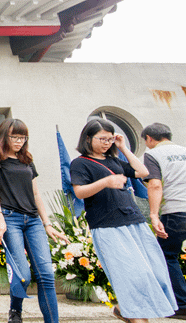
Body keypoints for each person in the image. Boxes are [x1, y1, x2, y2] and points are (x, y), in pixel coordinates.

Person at [70, 118, 176, 323]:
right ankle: (136, 316)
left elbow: (143, 172)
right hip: (108, 225)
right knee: (131, 273)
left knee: (153, 270)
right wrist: (106, 182)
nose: (106, 142)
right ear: (88, 138)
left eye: (110, 138)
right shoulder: (80, 163)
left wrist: (123, 148)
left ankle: (124, 308)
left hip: (133, 220)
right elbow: (80, 192)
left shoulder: (114, 160)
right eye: (102, 138)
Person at [0, 118, 66, 323]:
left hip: (33, 220)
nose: (19, 141)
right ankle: (15, 309)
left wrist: (47, 223)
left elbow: (36, 194)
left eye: (23, 137)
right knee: (23, 275)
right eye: (15, 137)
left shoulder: (27, 159)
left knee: (46, 275)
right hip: (9, 218)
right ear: (4, 136)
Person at [141, 123, 186, 319]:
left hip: (176, 211)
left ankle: (182, 305)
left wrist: (153, 214)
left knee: (166, 255)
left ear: (149, 138)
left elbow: (155, 185)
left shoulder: (153, 155)